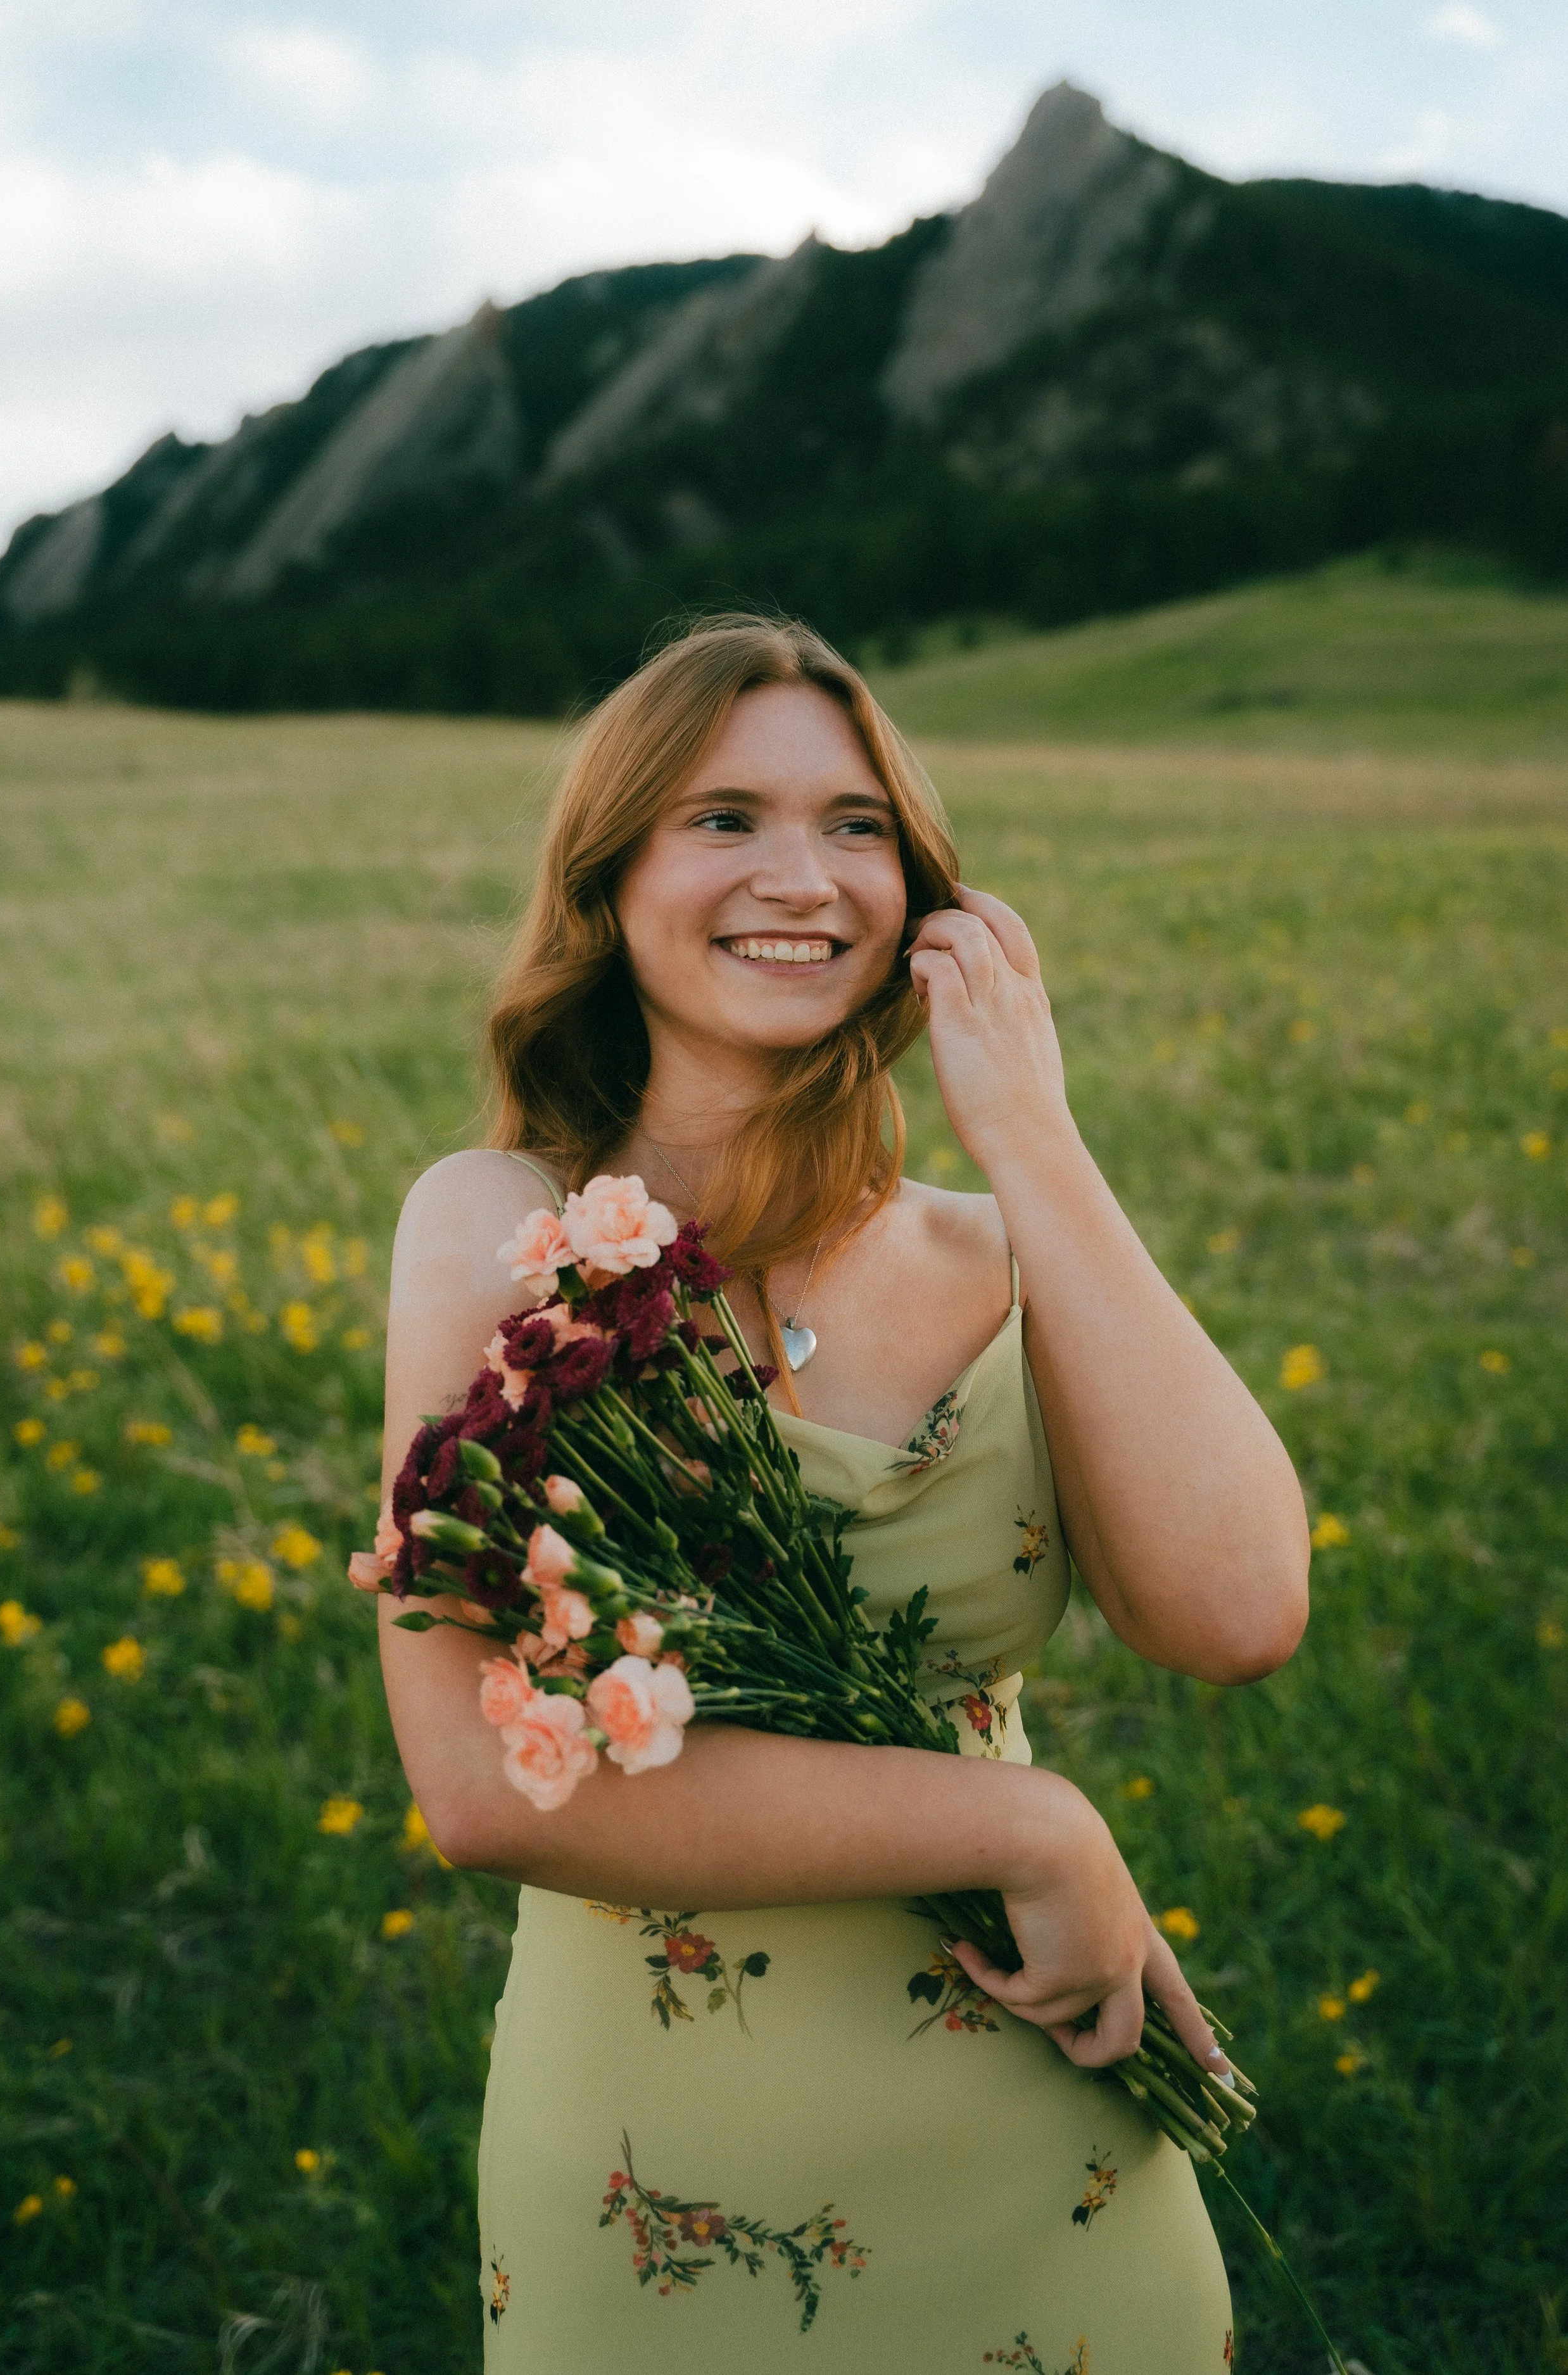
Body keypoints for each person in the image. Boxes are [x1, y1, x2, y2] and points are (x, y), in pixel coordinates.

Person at [365, 614, 1310, 2372]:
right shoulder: (493, 1225)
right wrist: (1033, 1829)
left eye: (856, 822)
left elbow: (1236, 1609)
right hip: (663, 2200)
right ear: (611, 879)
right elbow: (489, 1786)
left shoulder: (998, 1248)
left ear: (921, 891)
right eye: (721, 816)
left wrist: (1031, 1137)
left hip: (1056, 2193)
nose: (799, 872)